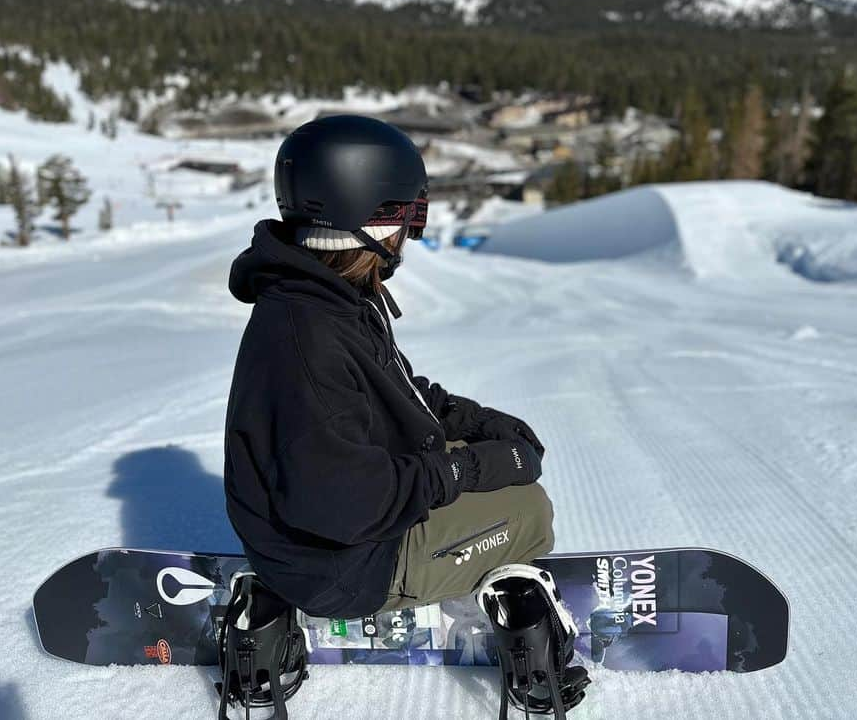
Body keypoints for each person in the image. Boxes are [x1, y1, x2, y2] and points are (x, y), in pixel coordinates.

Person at [221, 115, 588, 718]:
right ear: (362, 217)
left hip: (328, 519)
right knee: (528, 511)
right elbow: (341, 504)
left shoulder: (323, 297)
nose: (408, 237)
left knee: (508, 475)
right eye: (407, 218)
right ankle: (513, 610)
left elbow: (397, 391)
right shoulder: (308, 333)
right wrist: (468, 472)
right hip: (342, 563)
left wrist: (478, 425)